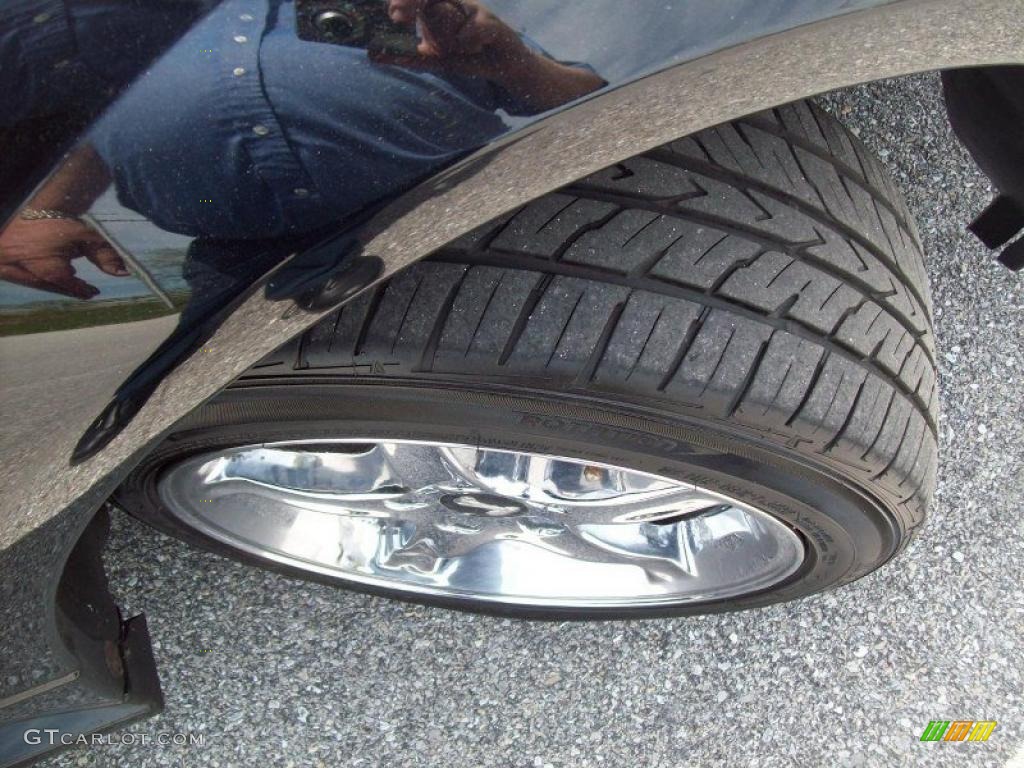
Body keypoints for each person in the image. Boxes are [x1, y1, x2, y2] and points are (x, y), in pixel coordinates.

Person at [0, 0, 604, 300]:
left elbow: (592, 101)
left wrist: (511, 60)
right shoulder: (107, 30)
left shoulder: (393, 8)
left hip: (470, 217)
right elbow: (97, 133)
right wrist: (43, 209)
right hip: (238, 275)